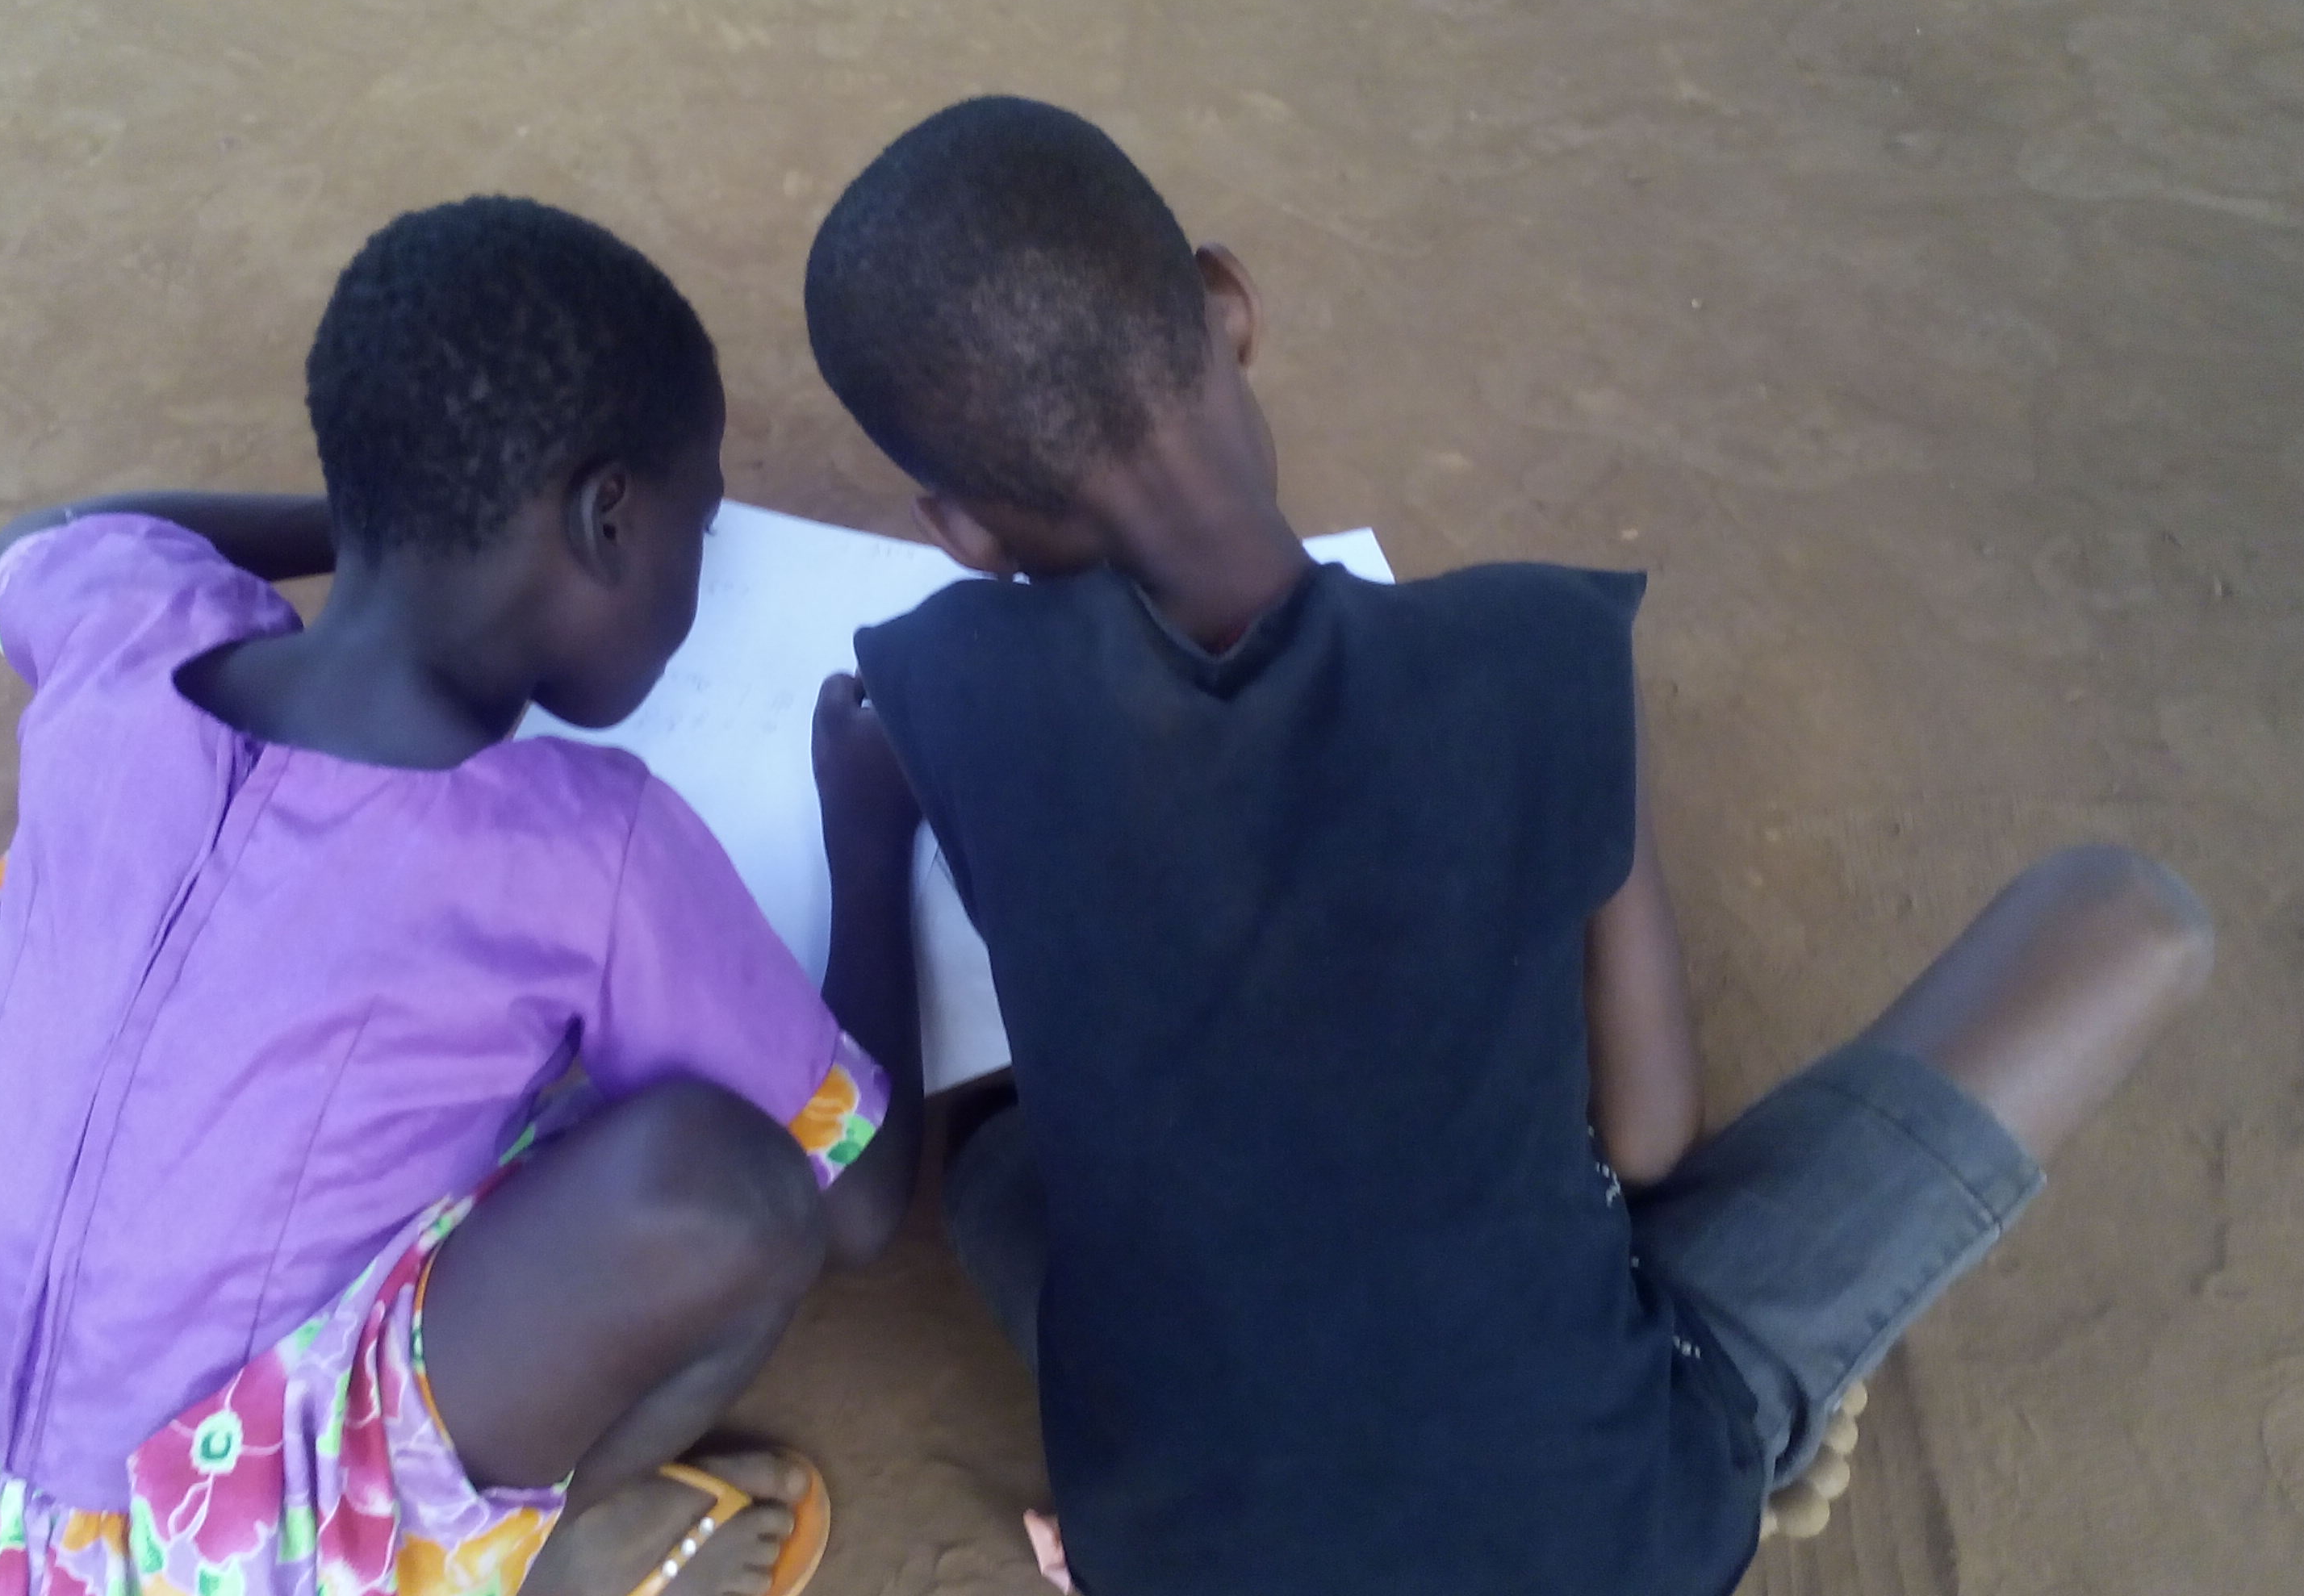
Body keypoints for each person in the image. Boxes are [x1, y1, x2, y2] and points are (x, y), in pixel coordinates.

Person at [800, 97, 2217, 1596]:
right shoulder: (1537, 653)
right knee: (2128, 916)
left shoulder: (948, 688)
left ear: (959, 530)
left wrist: (863, 807)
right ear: (1231, 308)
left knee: (1003, 1167)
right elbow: (1651, 1139)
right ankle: (1686, 1404)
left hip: (1202, 1548)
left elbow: (883, 1157)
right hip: (1612, 1525)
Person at [0, 195, 926, 1596]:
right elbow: (866, 1205)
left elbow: (59, 531)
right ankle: (512, 1554)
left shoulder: (133, 628)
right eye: (700, 521)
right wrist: (870, 825)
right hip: (204, 1552)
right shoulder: (585, 844)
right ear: (609, 520)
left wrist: (379, 522)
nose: (706, 561)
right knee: (727, 1191)